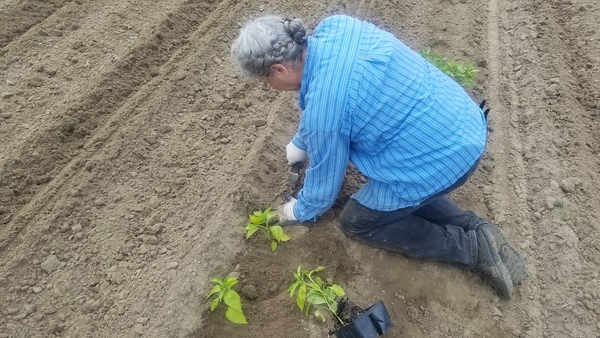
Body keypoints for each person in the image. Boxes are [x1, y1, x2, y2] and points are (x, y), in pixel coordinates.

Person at [231, 14, 527, 298]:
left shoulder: (326, 113)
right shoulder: (337, 27)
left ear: (279, 70)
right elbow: (325, 92)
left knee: (357, 221)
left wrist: (295, 211)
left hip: (444, 158)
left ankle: (471, 250)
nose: (268, 87)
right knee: (400, 184)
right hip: (460, 123)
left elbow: (323, 191)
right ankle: (478, 228)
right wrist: (301, 140)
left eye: (265, 80)